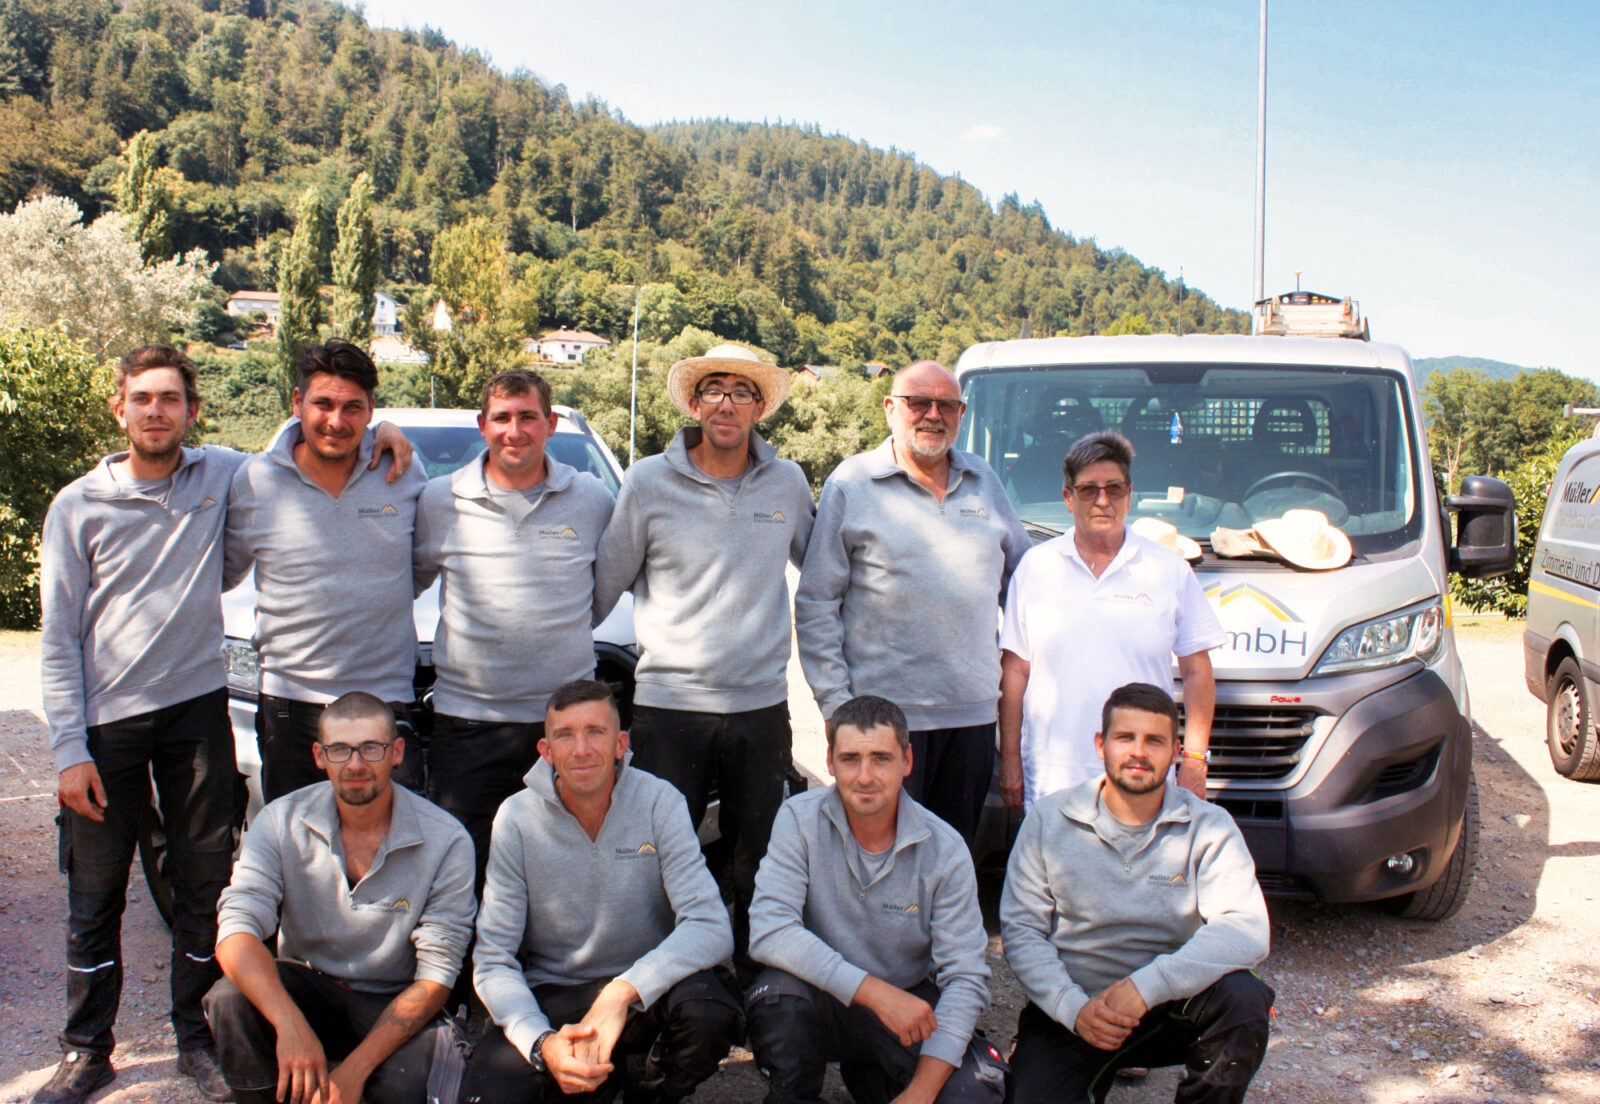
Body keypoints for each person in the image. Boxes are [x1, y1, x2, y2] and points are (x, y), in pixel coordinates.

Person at [34, 344, 409, 1104]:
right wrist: (69, 749)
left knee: (203, 880)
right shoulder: (78, 504)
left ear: (191, 412)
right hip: (108, 724)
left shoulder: (222, 476)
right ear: (121, 409)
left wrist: (385, 431)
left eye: (170, 399)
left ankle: (195, 1035)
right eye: (142, 399)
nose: (156, 412)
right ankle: (86, 1049)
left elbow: (309, 440)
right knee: (96, 889)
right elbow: (55, 638)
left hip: (196, 707)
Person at [594, 342, 815, 974]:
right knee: (661, 853)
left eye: (742, 392)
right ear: (695, 403)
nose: (726, 402)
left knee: (760, 859)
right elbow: (602, 587)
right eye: (714, 389)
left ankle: (755, 982)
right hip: (668, 707)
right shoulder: (646, 482)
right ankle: (664, 980)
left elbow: (824, 573)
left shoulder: (788, 483)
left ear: (759, 409)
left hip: (759, 706)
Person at [467, 679, 742, 1103]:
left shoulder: (659, 802)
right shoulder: (516, 820)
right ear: (546, 750)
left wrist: (621, 992)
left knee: (708, 1009)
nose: (581, 749)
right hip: (556, 998)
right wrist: (542, 1044)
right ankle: (589, 1077)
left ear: (620, 743)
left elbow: (709, 924)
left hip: (644, 994)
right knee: (488, 1092)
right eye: (565, 735)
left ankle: (649, 1092)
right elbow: (493, 959)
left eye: (595, 732)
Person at [1000, 683, 1273, 1104]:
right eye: (1125, 737)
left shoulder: (1209, 826)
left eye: (1154, 741)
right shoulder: (1049, 820)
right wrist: (1073, 1009)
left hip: (1170, 1007)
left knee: (1242, 1000)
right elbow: (1021, 931)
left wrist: (1146, 987)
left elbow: (1248, 929)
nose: (1138, 752)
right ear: (1100, 744)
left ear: (1176, 750)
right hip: (1077, 1008)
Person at [203, 692, 476, 1104]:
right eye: (339, 750)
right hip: (313, 988)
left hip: (394, 1001)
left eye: (371, 748)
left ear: (397, 752)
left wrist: (355, 1070)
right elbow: (236, 930)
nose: (355, 764)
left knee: (417, 1087)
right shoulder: (281, 820)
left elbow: (437, 975)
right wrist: (290, 1025)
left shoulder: (447, 839)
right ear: (319, 755)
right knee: (231, 999)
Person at [795, 360, 1029, 843]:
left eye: (946, 405)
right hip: (880, 723)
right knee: (876, 857)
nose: (932, 415)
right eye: (918, 402)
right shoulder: (852, 483)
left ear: (961, 414)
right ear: (889, 409)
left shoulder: (984, 481)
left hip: (972, 720)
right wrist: (839, 708)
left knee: (953, 857)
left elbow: (1027, 585)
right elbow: (817, 605)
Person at [746, 695, 1004, 1104]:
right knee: (777, 996)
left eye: (881, 759)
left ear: (907, 762)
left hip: (907, 1007)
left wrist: (920, 1093)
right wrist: (874, 993)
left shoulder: (946, 848)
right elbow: (769, 930)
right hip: (826, 999)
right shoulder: (798, 819)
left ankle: (879, 1080)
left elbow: (966, 978)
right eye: (851, 759)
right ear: (829, 762)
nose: (865, 776)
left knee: (976, 1093)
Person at [413, 368, 615, 889]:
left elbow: (607, 589)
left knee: (562, 869)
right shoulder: (440, 500)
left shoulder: (592, 499)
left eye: (528, 417)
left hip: (562, 728)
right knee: (465, 870)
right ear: (483, 425)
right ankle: (469, 972)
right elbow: (406, 581)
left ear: (549, 423)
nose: (514, 430)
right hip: (468, 724)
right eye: (502, 417)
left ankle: (553, 970)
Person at [225, 340, 429, 803]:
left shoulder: (403, 476)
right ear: (297, 403)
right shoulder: (254, 481)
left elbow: (420, 569)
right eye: (323, 403)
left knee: (392, 852)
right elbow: (224, 571)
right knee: (298, 851)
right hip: (289, 707)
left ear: (371, 410)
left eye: (353, 407)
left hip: (385, 700)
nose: (337, 421)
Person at [998, 431, 1224, 810]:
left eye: (1113, 489)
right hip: (1053, 781)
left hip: (1144, 778)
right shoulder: (1036, 568)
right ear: (1068, 498)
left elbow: (1198, 672)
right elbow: (1015, 672)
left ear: (1129, 494)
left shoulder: (1168, 569)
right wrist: (1009, 761)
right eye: (1088, 490)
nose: (1102, 501)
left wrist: (1196, 761)